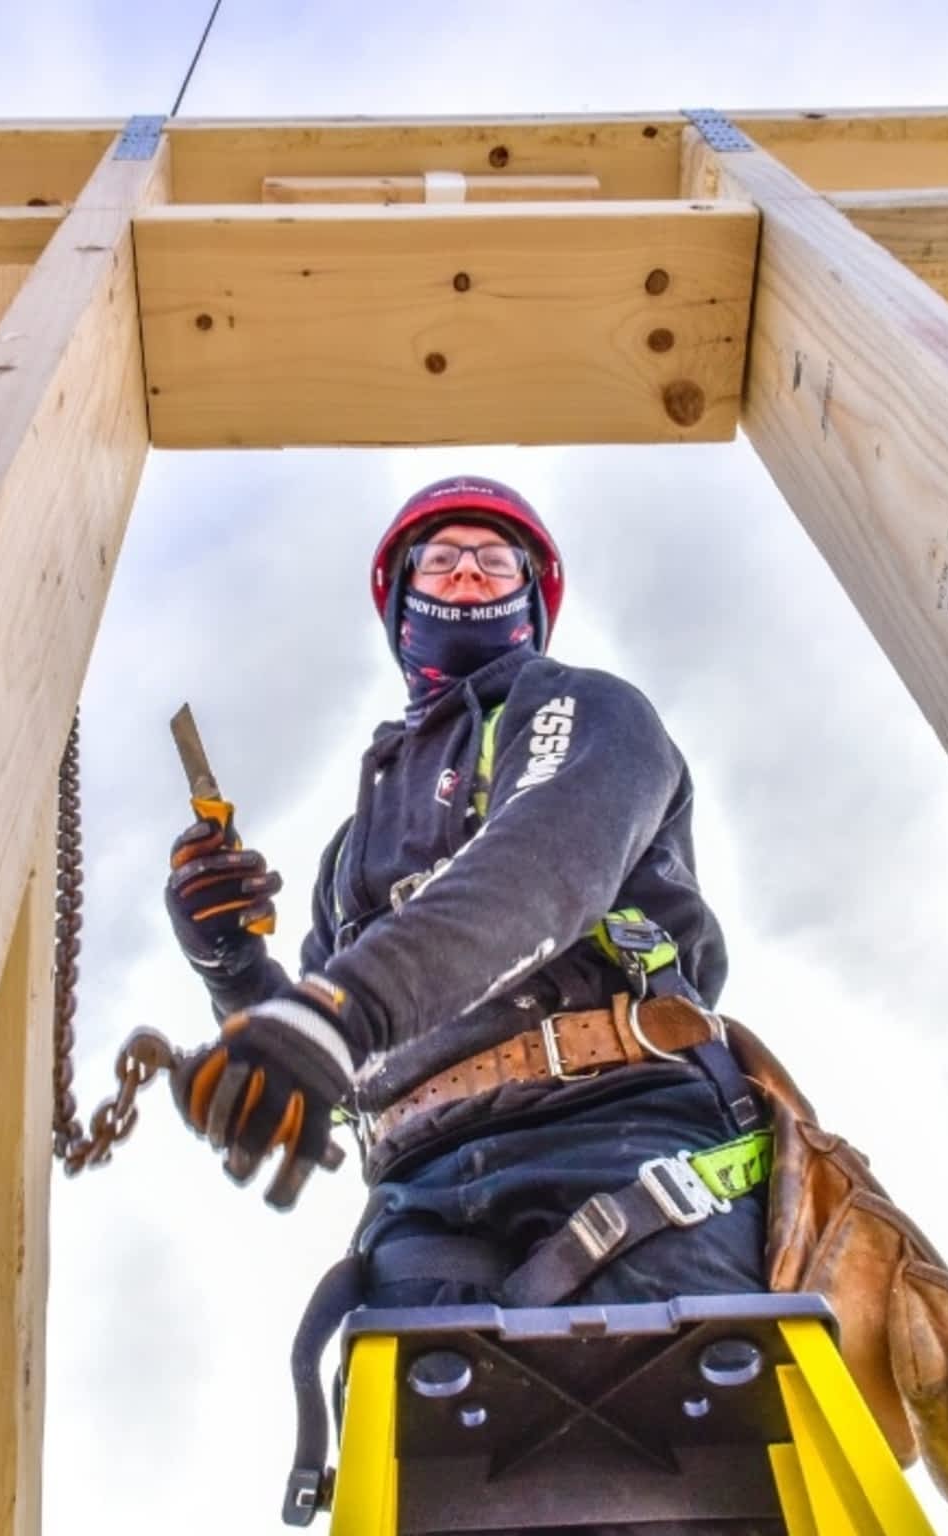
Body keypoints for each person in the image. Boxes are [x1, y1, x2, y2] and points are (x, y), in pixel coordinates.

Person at [161, 474, 770, 1314]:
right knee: (418, 1445)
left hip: (625, 1142)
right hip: (419, 1196)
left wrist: (340, 1010)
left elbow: (548, 861)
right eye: (441, 561)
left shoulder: (582, 709)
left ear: (531, 594)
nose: (469, 575)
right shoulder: (352, 851)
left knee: (700, 1443)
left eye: (495, 561)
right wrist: (229, 962)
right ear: (403, 600)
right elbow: (329, 1067)